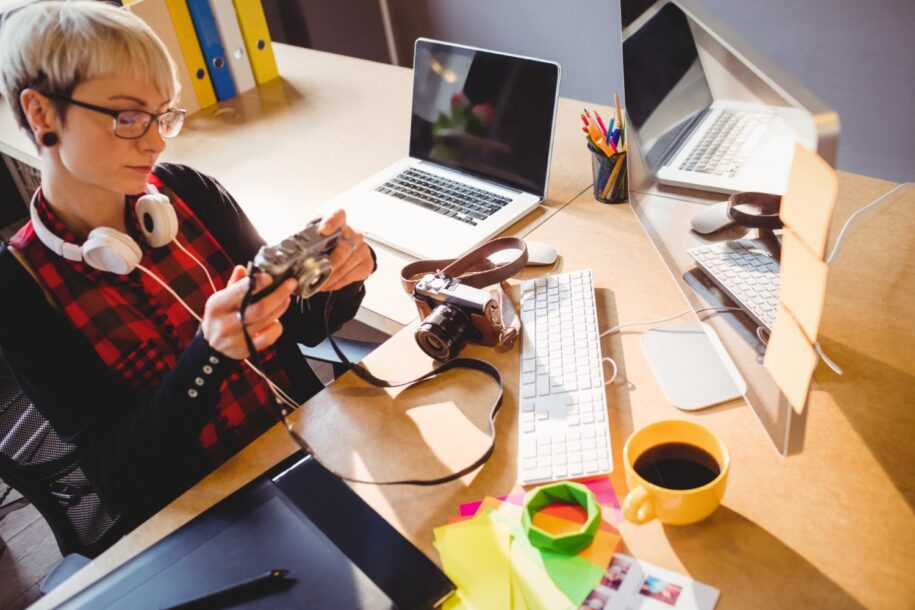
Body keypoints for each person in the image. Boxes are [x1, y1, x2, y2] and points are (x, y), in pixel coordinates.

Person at [0, 0, 375, 535]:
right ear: (40, 115)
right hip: (206, 516)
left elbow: (301, 326)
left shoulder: (187, 191)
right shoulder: (20, 286)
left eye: (163, 116)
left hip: (312, 446)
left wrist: (344, 273)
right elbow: (122, 480)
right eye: (128, 117)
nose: (153, 141)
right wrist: (211, 354)